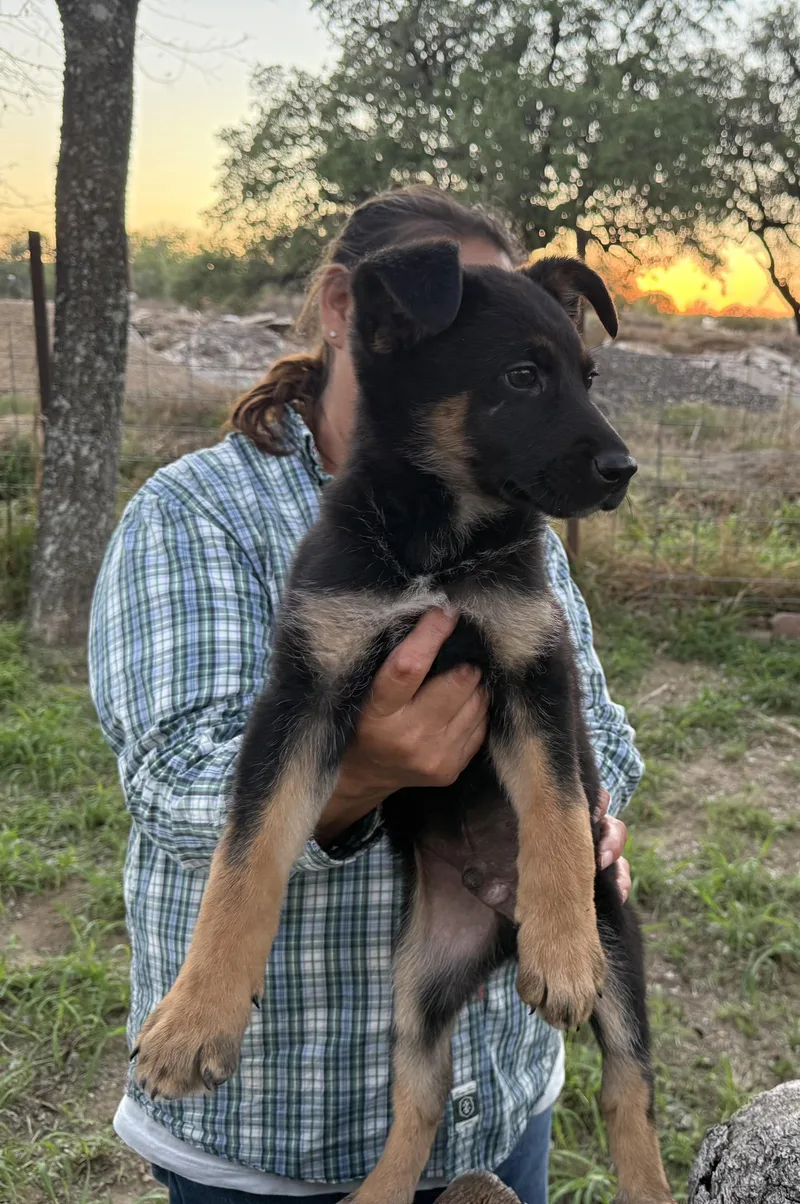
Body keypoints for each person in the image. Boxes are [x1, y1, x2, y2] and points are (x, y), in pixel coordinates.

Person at [89, 187, 643, 1204]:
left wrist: (580, 840)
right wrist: (368, 767)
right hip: (279, 1120)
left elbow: (595, 727)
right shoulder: (195, 512)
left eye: (569, 371)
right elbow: (173, 786)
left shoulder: (511, 518)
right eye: (523, 374)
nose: (586, 422)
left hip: (496, 1089)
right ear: (357, 312)